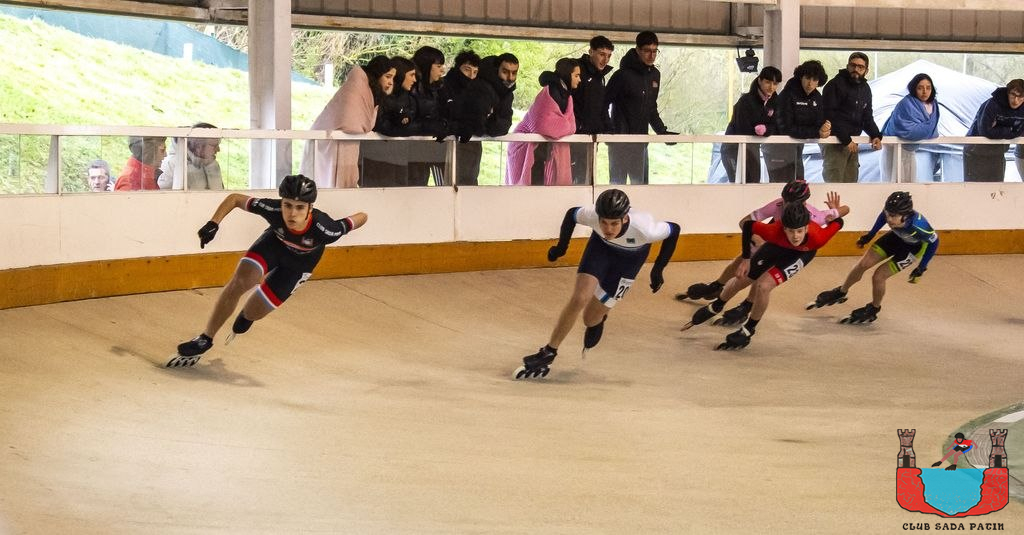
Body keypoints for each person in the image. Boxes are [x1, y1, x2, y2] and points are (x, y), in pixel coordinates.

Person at [168, 175, 368, 367]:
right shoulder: (273, 209)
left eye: (300, 207)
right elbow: (235, 199)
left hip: (299, 265)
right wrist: (214, 223)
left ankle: (247, 316)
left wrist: (361, 215)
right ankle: (205, 338)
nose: (292, 214)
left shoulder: (326, 229)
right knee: (240, 281)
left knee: (252, 313)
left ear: (310, 208)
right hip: (273, 246)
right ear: (281, 203)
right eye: (287, 205)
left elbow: (361, 217)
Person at [515, 189, 680, 379]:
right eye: (604, 222)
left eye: (614, 223)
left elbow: (674, 230)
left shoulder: (645, 229)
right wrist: (561, 248)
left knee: (590, 319)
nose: (608, 229)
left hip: (629, 262)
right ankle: (549, 351)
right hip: (600, 250)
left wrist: (658, 269)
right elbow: (571, 215)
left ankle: (598, 320)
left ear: (625, 218)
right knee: (579, 298)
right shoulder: (592, 215)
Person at [675, 181, 847, 327]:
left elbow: (843, 211)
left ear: (804, 203)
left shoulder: (815, 217)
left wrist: (836, 212)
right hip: (773, 236)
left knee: (763, 276)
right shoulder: (777, 204)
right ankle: (716, 286)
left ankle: (747, 305)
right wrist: (757, 240)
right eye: (785, 201)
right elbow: (745, 222)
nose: (786, 205)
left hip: (793, 248)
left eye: (791, 202)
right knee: (742, 264)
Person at [808, 191, 937, 324]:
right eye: (888, 214)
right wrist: (870, 235)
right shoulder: (890, 213)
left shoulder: (919, 225)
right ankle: (841, 291)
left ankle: (874, 308)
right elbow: (882, 217)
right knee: (863, 264)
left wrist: (922, 267)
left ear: (906, 215)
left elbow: (934, 242)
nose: (889, 219)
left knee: (878, 277)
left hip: (913, 249)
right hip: (896, 238)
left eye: (893, 216)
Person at [300, 56, 395, 188]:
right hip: (334, 141)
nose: (391, 82)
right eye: (388, 77)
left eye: (393, 78)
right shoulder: (357, 88)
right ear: (377, 74)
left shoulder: (365, 90)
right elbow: (352, 123)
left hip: (337, 140)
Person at [605, 31, 677, 185]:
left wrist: (662, 132)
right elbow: (603, 103)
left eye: (655, 51)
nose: (651, 56)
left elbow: (651, 107)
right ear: (637, 50)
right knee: (618, 186)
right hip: (619, 143)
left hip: (641, 143)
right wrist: (609, 130)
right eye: (647, 51)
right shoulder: (621, 75)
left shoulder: (655, 75)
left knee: (641, 187)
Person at [505, 58, 580, 186]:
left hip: (541, 151)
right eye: (576, 75)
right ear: (568, 75)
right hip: (527, 148)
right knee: (532, 187)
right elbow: (543, 126)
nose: (579, 79)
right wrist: (565, 126)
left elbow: (571, 126)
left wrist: (562, 126)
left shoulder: (566, 95)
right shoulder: (551, 92)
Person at [437, 50, 498, 186]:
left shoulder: (481, 90)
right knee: (443, 185)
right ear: (457, 67)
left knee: (469, 183)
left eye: (475, 72)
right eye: (467, 70)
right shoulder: (442, 85)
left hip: (471, 145)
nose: (471, 75)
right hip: (445, 145)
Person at [765, 60, 830, 183]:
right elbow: (786, 128)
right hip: (777, 147)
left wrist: (824, 129)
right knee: (782, 185)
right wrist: (817, 132)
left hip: (797, 146)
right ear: (801, 77)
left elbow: (819, 122)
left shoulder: (817, 97)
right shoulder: (787, 95)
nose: (810, 83)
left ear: (819, 81)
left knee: (799, 184)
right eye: (807, 78)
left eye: (814, 80)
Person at [821, 52, 882, 183]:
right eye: (853, 65)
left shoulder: (865, 89)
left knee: (851, 183)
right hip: (835, 142)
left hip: (853, 142)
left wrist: (875, 135)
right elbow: (830, 116)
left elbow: (867, 116)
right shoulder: (834, 85)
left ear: (866, 70)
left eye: (860, 67)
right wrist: (846, 140)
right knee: (834, 183)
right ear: (847, 66)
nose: (856, 69)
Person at [363, 56, 418, 188]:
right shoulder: (378, 96)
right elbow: (380, 124)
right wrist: (406, 127)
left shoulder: (409, 98)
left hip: (400, 158)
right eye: (411, 75)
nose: (414, 79)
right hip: (376, 158)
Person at [722, 66, 782, 183]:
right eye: (768, 82)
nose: (771, 87)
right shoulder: (745, 101)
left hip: (752, 147)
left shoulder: (776, 102)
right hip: (732, 148)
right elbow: (742, 129)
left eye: (775, 84)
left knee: (754, 182)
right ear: (760, 80)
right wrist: (758, 131)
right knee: (738, 183)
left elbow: (776, 125)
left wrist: (766, 130)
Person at [571, 36, 614, 185]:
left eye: (609, 56)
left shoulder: (600, 77)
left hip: (592, 137)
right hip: (575, 136)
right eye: (602, 54)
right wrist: (577, 126)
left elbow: (601, 106)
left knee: (588, 179)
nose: (605, 59)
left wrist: (608, 128)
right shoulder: (577, 70)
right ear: (591, 52)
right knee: (571, 177)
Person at [880, 74, 940, 182]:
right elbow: (905, 128)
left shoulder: (934, 105)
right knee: (894, 180)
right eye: (920, 88)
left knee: (909, 181)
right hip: (894, 148)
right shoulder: (905, 104)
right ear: (914, 88)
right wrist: (926, 131)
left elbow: (932, 129)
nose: (925, 91)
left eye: (928, 88)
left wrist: (924, 131)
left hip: (910, 150)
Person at [963, 79, 1024, 182]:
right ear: (1007, 92)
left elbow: (1020, 131)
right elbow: (985, 131)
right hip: (975, 152)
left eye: (1021, 97)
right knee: (973, 189)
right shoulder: (992, 104)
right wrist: (1011, 130)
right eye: (1013, 95)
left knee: (996, 189)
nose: (1016, 100)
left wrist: (998, 128)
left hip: (997, 153)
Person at [407, 46, 448, 186]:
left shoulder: (440, 88)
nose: (442, 70)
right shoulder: (411, 88)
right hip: (415, 151)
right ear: (426, 66)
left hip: (437, 148)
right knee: (417, 187)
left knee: (444, 185)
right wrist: (432, 126)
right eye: (438, 66)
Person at [158, 122, 224, 190]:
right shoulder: (171, 164)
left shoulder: (213, 165)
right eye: (214, 145)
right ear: (198, 146)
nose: (218, 150)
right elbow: (164, 194)